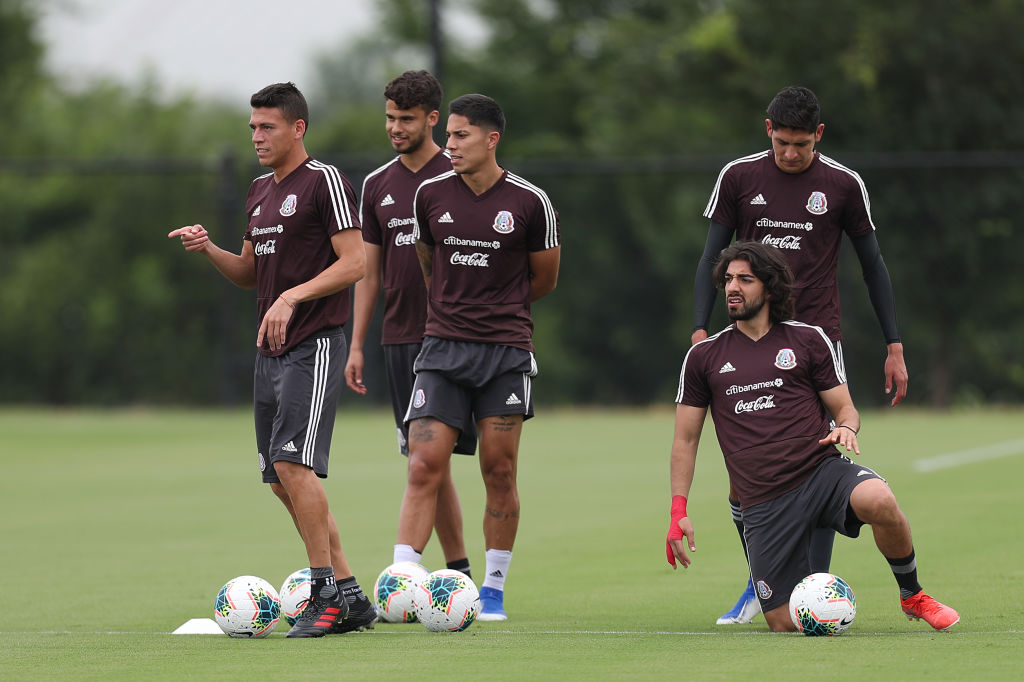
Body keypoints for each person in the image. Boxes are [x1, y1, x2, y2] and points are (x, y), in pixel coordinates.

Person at [692, 85, 909, 624]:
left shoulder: (842, 184)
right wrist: (700, 327)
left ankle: (812, 589)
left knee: (813, 458)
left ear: (819, 135)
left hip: (815, 339)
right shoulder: (739, 176)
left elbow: (873, 266)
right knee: (749, 454)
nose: (791, 154)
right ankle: (762, 577)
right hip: (749, 338)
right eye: (782, 142)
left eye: (801, 144)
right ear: (769, 130)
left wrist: (894, 343)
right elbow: (712, 257)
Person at [168, 82, 377, 638]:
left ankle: (324, 592)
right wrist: (210, 248)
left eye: (268, 127)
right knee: (279, 478)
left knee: (293, 463)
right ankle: (351, 594)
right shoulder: (259, 190)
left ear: (298, 127)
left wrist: (292, 296)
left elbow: (355, 263)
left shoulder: (324, 181)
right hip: (271, 351)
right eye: (253, 127)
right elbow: (249, 273)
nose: (257, 136)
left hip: (316, 342)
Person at [666, 241, 958, 633]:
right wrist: (677, 512)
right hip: (765, 501)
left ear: (769, 288)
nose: (733, 287)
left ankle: (913, 595)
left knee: (880, 499)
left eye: (745, 279)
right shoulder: (704, 356)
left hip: (820, 473)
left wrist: (846, 427)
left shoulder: (807, 339)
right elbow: (685, 440)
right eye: (729, 279)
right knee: (785, 625)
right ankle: (809, 602)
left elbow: (845, 408)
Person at [393, 93, 561, 621]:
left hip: (505, 354)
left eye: (460, 135)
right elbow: (427, 264)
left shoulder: (531, 202)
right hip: (441, 349)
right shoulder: (429, 195)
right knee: (424, 462)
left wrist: (495, 312)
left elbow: (544, 279)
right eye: (449, 135)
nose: (449, 145)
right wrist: (455, 312)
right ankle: (401, 583)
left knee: (499, 469)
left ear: (492, 139)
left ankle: (491, 589)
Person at [345, 70, 474, 580]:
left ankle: (418, 573)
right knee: (426, 461)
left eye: (406, 119)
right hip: (399, 339)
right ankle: (457, 572)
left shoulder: (459, 174)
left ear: (433, 120)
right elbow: (368, 273)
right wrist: (357, 344)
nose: (395, 128)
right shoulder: (377, 185)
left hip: (453, 336)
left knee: (430, 462)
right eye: (390, 118)